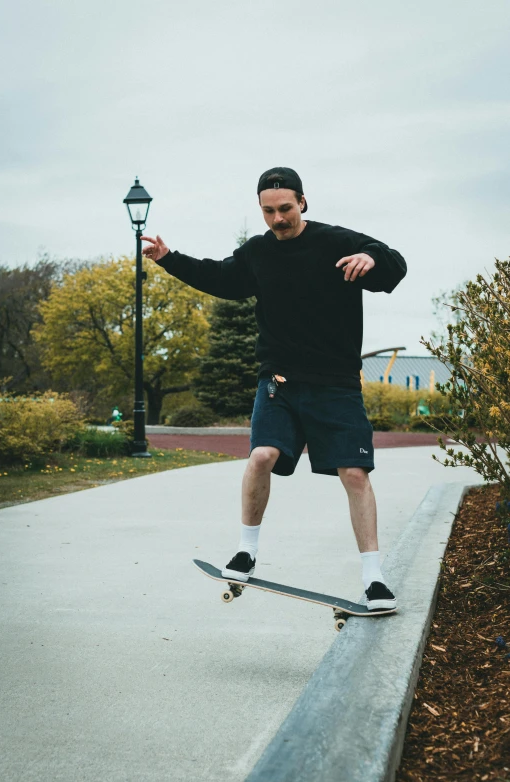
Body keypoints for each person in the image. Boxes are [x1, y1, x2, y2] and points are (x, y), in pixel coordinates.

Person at [141, 167, 406, 610]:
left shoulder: (336, 242)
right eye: (269, 211)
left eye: (285, 209)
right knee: (261, 456)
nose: (278, 219)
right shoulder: (258, 253)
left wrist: (374, 261)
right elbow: (221, 278)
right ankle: (246, 551)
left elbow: (392, 264)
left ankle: (373, 578)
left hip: (336, 385)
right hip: (278, 383)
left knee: (355, 475)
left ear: (303, 202)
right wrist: (170, 258)